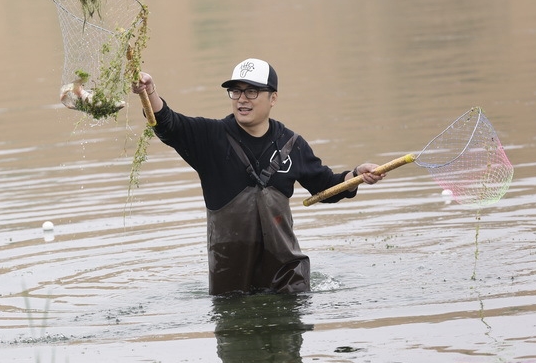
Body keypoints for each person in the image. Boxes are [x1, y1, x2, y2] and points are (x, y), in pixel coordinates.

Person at [131, 58, 384, 295]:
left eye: (252, 91)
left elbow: (325, 188)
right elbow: (168, 124)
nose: (243, 99)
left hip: (287, 279)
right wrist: (148, 92)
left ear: (273, 98)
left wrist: (355, 175)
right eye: (236, 91)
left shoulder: (292, 144)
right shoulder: (210, 138)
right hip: (230, 284)